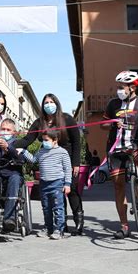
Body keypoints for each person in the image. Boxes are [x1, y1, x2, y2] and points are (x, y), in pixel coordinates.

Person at [100, 71, 138, 239]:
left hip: (135, 146)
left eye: (121, 87)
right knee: (118, 186)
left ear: (132, 88)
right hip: (116, 149)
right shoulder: (113, 104)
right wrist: (112, 123)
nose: (118, 90)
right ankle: (124, 226)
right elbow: (103, 124)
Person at [14, 94, 83, 235]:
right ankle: (61, 225)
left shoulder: (67, 119)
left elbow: (77, 142)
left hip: (67, 158)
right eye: (46, 102)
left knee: (72, 190)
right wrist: (11, 145)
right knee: (58, 195)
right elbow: (28, 139)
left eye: (52, 102)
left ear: (57, 103)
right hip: (50, 160)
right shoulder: (39, 122)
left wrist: (76, 163)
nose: (49, 105)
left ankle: (79, 221)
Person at [19, 130, 72, 240]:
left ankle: (59, 230)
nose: (44, 142)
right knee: (46, 208)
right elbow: (33, 160)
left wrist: (67, 184)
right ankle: (48, 228)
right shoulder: (41, 151)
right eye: (43, 140)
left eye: (46, 140)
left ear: (55, 140)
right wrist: (23, 151)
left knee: (58, 208)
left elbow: (68, 169)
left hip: (57, 183)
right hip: (44, 184)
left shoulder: (62, 152)